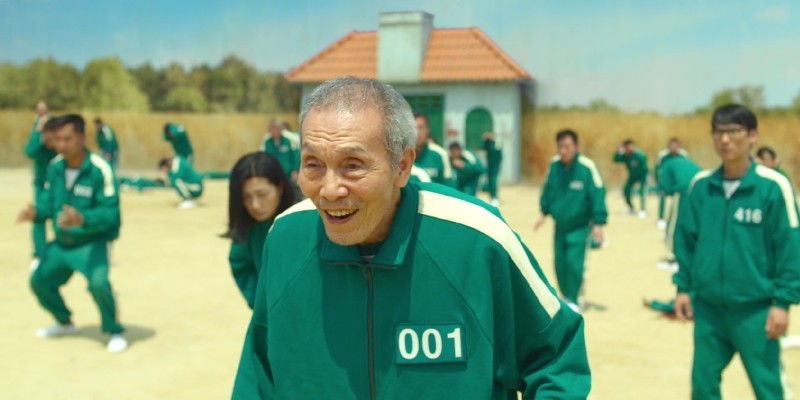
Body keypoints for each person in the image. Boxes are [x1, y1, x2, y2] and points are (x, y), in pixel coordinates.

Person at [232, 77, 590, 399]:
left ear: (402, 166)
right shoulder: (286, 240)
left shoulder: (477, 240)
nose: (329, 189)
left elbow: (555, 357)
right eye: (313, 164)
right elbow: (259, 373)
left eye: (352, 165)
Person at [673, 104, 800, 399]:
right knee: (703, 386)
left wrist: (782, 302)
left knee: (768, 387)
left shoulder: (772, 187)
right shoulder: (701, 186)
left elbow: (790, 248)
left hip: (755, 311)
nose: (725, 140)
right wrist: (682, 288)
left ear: (752, 135)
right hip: (709, 310)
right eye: (718, 133)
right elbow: (686, 241)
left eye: (733, 132)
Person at [16, 114, 127, 353]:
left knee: (99, 284)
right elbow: (48, 203)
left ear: (82, 137)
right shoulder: (55, 167)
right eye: (57, 139)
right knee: (39, 281)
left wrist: (83, 219)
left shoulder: (100, 169)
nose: (61, 145)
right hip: (62, 243)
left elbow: (112, 214)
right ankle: (64, 322)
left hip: (92, 242)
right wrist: (36, 213)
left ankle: (114, 330)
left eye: (67, 139)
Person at [535, 129, 608, 313]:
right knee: (560, 264)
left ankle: (576, 299)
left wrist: (598, 223)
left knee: (575, 264)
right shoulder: (554, 166)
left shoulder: (586, 167)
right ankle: (566, 297)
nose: (563, 151)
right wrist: (544, 212)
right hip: (560, 226)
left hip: (580, 227)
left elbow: (598, 193)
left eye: (567, 147)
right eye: (560, 147)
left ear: (576, 147)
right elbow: (548, 190)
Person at [222, 152, 297, 309]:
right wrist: (262, 304)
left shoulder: (305, 218)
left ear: (280, 188)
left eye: (262, 194)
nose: (255, 205)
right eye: (246, 197)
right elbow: (240, 265)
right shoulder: (248, 226)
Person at [24, 109, 58, 268]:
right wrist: (38, 133)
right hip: (41, 185)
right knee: (38, 218)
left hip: (57, 185)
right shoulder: (38, 139)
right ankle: (40, 252)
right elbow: (29, 152)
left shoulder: (59, 142)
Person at [654, 138, 690, 228]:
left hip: (678, 182)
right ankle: (661, 218)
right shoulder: (662, 156)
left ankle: (681, 218)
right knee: (662, 196)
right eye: (671, 146)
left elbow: (686, 169)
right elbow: (658, 169)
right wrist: (659, 181)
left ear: (679, 146)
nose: (673, 148)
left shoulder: (683, 155)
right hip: (667, 181)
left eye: (675, 146)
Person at [413, 113, 455, 187]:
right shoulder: (400, 155)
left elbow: (449, 185)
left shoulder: (440, 154)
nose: (417, 132)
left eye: (421, 128)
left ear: (427, 130)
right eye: (413, 128)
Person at [613, 139, 649, 217]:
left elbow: (644, 167)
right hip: (632, 176)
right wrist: (618, 151)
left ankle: (643, 209)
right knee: (626, 190)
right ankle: (631, 208)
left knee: (642, 191)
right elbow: (616, 160)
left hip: (642, 176)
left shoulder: (639, 155)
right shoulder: (626, 156)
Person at [482, 131, 504, 207]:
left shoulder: (496, 142)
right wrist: (484, 140)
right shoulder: (488, 142)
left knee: (493, 180)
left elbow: (497, 153)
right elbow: (483, 147)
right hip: (489, 164)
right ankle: (491, 197)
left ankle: (495, 197)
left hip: (495, 165)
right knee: (490, 180)